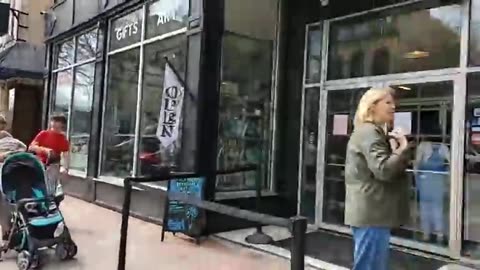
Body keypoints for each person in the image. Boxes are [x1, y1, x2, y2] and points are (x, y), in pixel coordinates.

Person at [344, 87, 411, 270]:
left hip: (372, 213)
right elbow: (384, 170)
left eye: (393, 102)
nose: (393, 107)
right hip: (372, 213)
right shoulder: (369, 132)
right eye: (387, 102)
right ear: (372, 106)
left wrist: (395, 149)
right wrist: (402, 148)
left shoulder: (371, 132)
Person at [415, 140, 450, 243]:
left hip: (426, 180)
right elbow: (450, 163)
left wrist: (417, 179)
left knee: (425, 208)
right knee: (437, 208)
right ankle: (439, 234)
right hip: (437, 181)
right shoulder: (443, 147)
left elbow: (417, 164)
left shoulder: (423, 146)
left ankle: (427, 234)